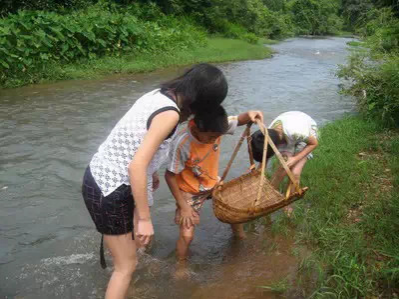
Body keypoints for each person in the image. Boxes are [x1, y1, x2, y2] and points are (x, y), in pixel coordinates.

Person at [81, 63, 228, 299]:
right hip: (111, 189)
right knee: (125, 267)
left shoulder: (159, 95)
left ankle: (131, 287)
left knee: (128, 257)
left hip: (97, 178)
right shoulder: (170, 114)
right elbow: (135, 165)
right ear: (202, 101)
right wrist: (146, 219)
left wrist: (152, 171)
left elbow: (137, 140)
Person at [165, 106, 263, 279]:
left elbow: (239, 120)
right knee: (187, 234)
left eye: (218, 136)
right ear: (195, 128)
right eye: (211, 137)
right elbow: (170, 176)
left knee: (234, 210)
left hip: (212, 181)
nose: (215, 139)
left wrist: (250, 115)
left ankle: (240, 238)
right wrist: (183, 206)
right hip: (190, 191)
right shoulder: (182, 143)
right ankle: (180, 264)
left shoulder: (218, 127)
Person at [251, 111, 318, 216]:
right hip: (287, 133)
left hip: (307, 130)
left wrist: (295, 159)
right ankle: (268, 196)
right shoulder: (267, 135)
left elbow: (314, 143)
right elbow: (266, 153)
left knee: (295, 173)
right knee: (283, 167)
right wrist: (260, 168)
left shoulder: (296, 132)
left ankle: (288, 203)